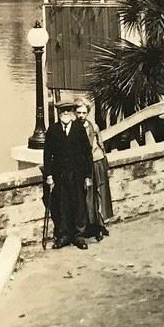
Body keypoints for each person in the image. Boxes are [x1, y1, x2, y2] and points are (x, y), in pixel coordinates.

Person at [40, 99, 93, 249]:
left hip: (77, 174)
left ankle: (78, 236)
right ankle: (63, 236)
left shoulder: (78, 129)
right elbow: (47, 155)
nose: (65, 114)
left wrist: (88, 176)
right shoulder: (53, 130)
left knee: (78, 204)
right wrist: (49, 176)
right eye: (62, 111)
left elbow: (87, 153)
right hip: (60, 175)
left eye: (68, 111)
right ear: (58, 113)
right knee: (61, 205)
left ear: (72, 113)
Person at [80, 102, 112, 241]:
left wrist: (104, 160)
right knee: (88, 196)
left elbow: (100, 144)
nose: (81, 115)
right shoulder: (75, 128)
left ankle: (100, 224)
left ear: (87, 113)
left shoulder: (94, 127)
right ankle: (90, 225)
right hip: (84, 166)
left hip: (97, 161)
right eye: (78, 112)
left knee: (100, 193)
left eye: (83, 113)